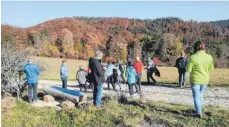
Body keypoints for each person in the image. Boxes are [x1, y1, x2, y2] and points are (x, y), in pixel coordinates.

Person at [186, 41, 214, 118]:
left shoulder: (193, 57)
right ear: (204, 48)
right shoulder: (209, 57)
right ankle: (199, 109)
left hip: (195, 80)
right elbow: (211, 68)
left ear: (196, 48)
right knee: (201, 94)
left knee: (196, 97)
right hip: (205, 80)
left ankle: (198, 113)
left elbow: (188, 70)